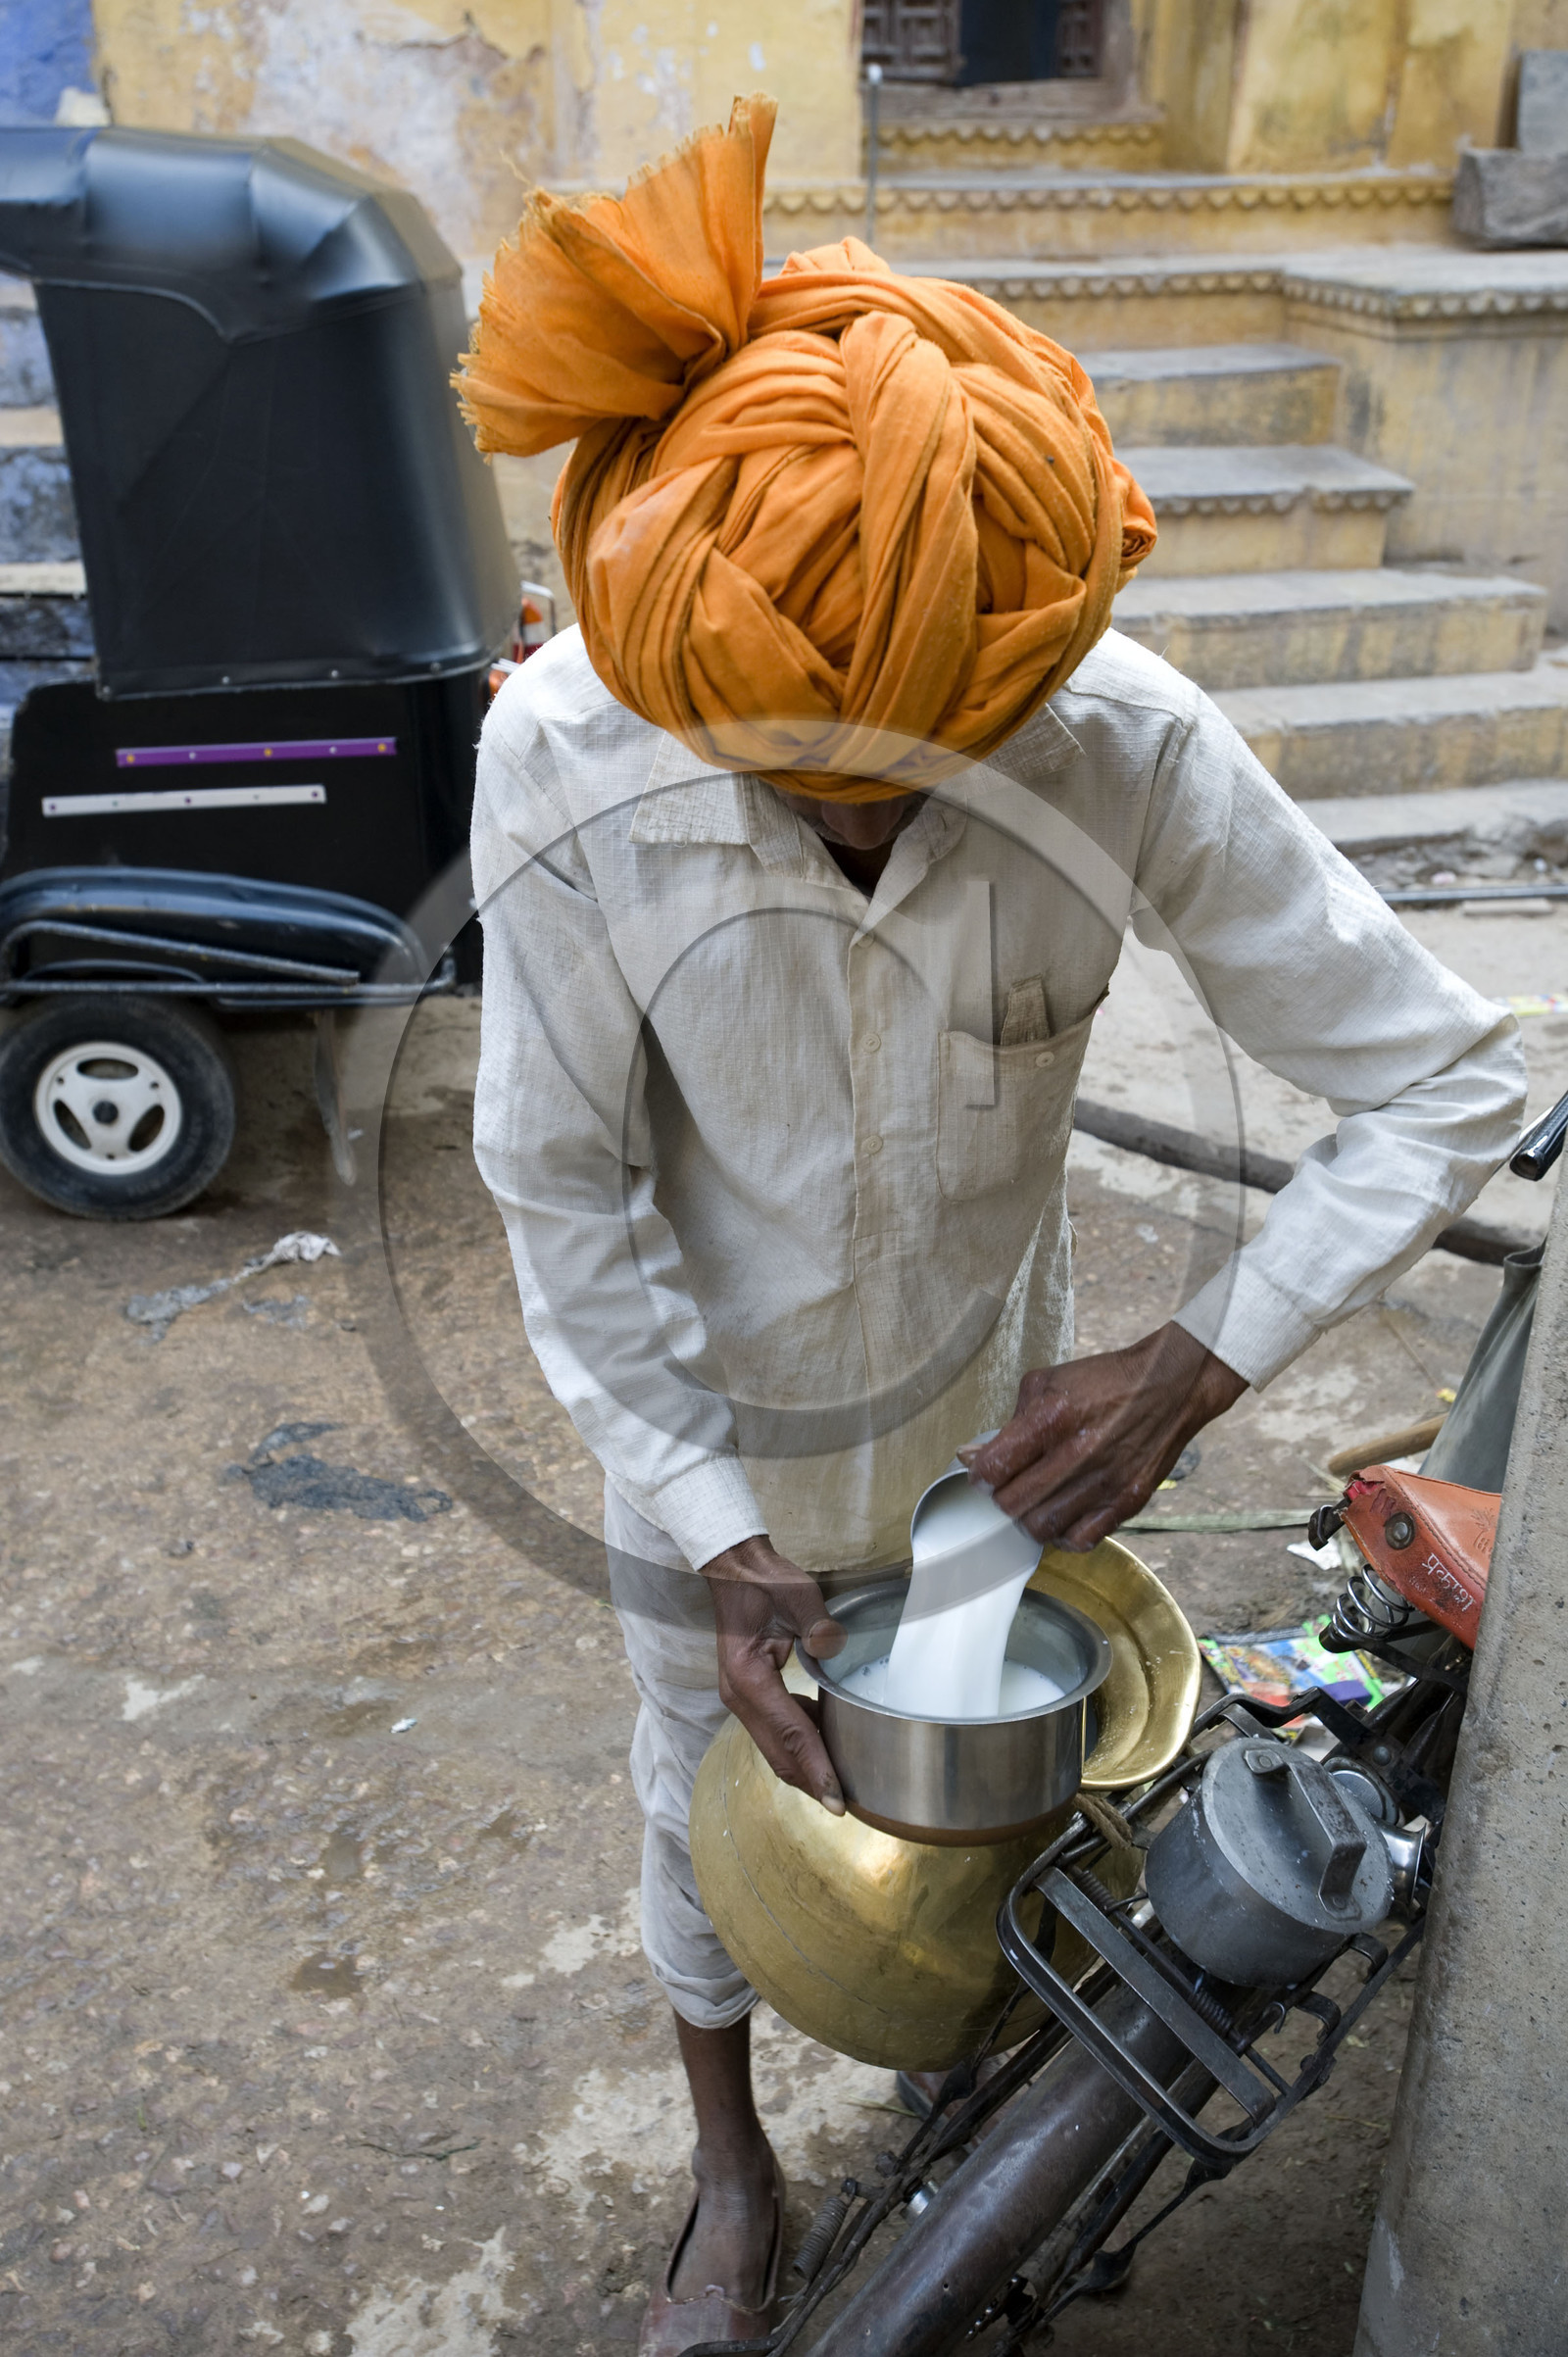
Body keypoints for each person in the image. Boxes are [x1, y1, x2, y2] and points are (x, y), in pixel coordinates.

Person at [460, 96, 1526, 2355]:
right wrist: (702, 1513)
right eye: (791, 777)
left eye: (909, 768)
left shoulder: (1106, 730)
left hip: (990, 1411)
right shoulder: (572, 748)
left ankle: (948, 2079)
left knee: (985, 1807)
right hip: (703, 1416)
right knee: (695, 1782)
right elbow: (554, 1175)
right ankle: (729, 2175)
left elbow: (1441, 1070)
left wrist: (1196, 1356)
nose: (850, 812)